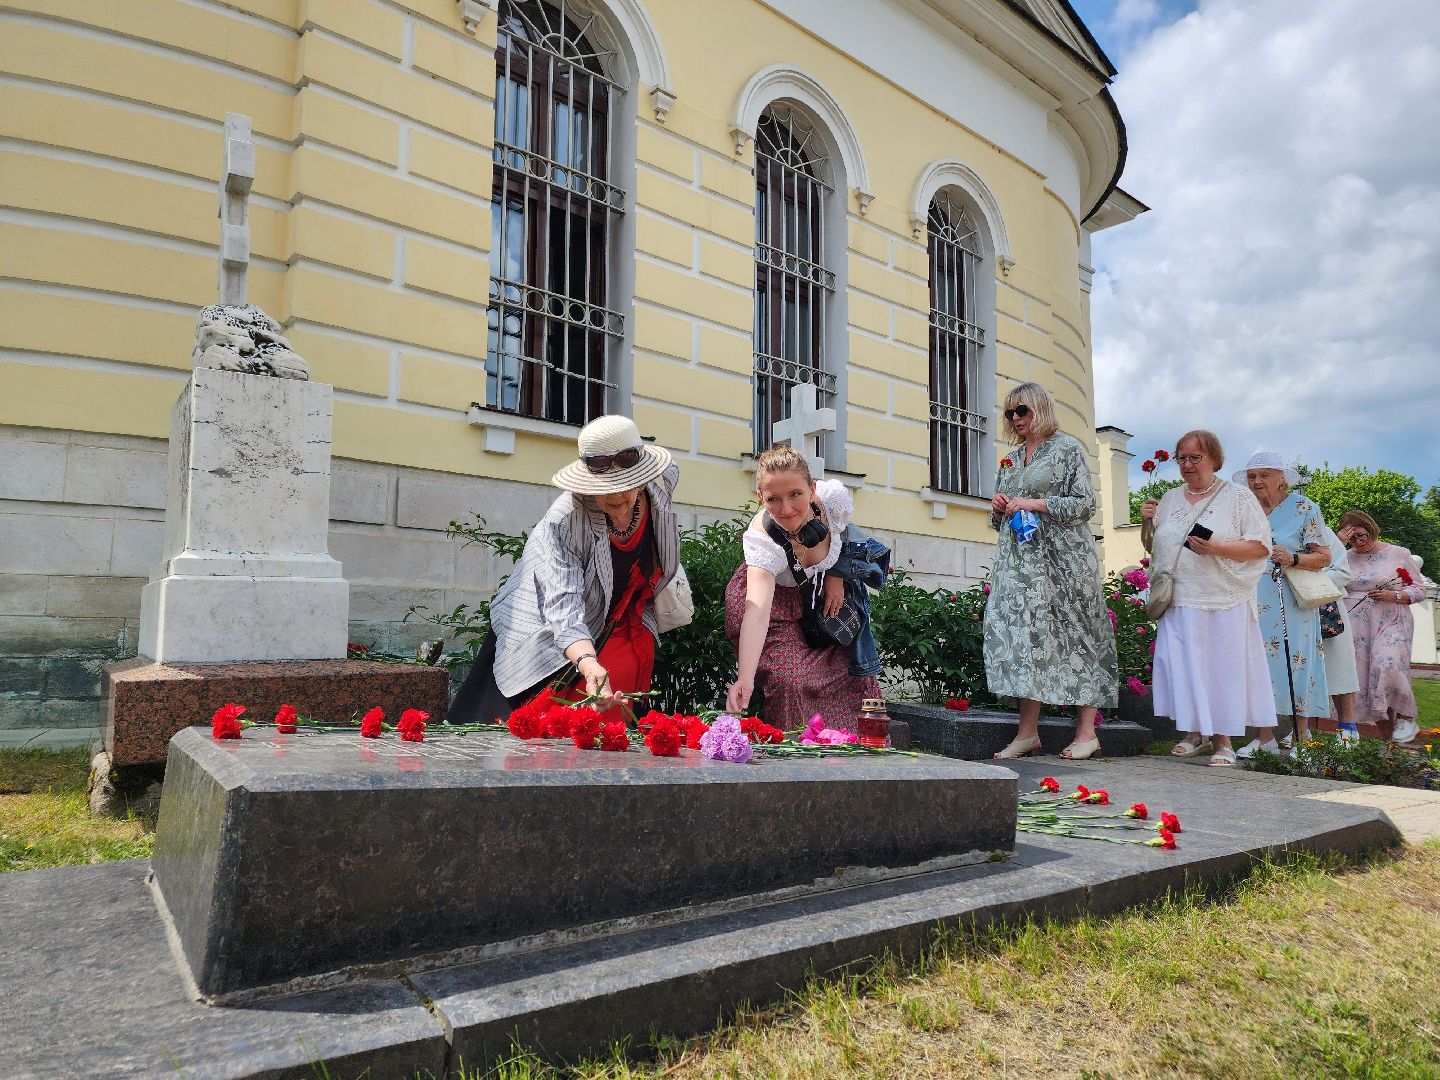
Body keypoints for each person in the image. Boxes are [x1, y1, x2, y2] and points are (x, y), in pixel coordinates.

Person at [448, 415, 681, 723]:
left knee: (615, 722)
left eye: (627, 484)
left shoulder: (661, 481)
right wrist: (588, 663)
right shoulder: (564, 521)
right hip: (548, 620)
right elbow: (563, 608)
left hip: (622, 618)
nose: (617, 496)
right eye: (606, 487)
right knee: (546, 729)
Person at [983, 382, 1117, 760]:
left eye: (1021, 410)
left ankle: (1087, 733)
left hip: (1063, 561)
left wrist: (1033, 502)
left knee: (1077, 635)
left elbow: (1084, 505)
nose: (1015, 419)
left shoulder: (1067, 448)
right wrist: (998, 508)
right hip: (1020, 565)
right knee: (1026, 640)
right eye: (1009, 412)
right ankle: (1028, 734)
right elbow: (1000, 521)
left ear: (1040, 408)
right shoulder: (1010, 458)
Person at [724, 446, 886, 732]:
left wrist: (836, 574)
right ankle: (799, 760)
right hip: (773, 605)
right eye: (773, 499)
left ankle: (850, 754)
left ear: (812, 490)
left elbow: (846, 533)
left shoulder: (832, 500)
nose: (786, 509)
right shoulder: (762, 540)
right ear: (760, 498)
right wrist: (744, 678)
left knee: (855, 674)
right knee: (792, 679)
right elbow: (757, 610)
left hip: (821, 591)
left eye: (795, 495)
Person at [1142, 431, 1274, 766]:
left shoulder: (1239, 498)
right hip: (1181, 597)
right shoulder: (1170, 498)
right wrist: (1147, 524)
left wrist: (1216, 548)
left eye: (1195, 457)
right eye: (1182, 458)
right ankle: (1193, 734)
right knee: (1185, 668)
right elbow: (1155, 548)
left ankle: (1224, 742)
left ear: (1214, 458)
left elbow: (1260, 547)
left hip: (1222, 599)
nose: (1187, 464)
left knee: (1220, 669)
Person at [1238, 451, 1330, 751]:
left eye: (1264, 475)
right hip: (1250, 594)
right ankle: (1264, 737)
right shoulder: (1245, 508)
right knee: (1258, 663)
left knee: (1296, 662)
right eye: (1252, 477)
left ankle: (1302, 736)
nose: (1257, 482)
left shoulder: (1305, 508)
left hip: (1290, 598)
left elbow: (1324, 556)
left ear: (1282, 479)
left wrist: (1293, 557)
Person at [1336, 510, 1426, 744]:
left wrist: (1394, 595)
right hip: (1355, 626)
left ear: (1371, 528)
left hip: (1391, 620)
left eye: (1362, 535)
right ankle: (1392, 742)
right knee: (1368, 682)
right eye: (1352, 538)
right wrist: (1338, 545)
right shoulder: (1343, 557)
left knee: (1387, 664)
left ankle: (1407, 716)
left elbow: (1419, 589)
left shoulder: (1398, 554)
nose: (1359, 542)